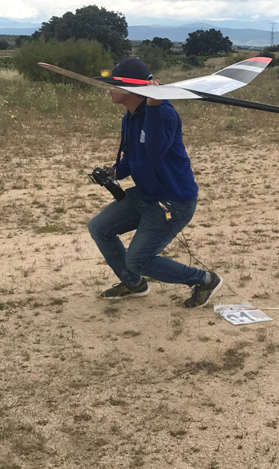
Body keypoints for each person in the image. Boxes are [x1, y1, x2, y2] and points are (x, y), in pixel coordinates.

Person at [87, 57, 223, 308]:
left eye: (113, 84)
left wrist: (153, 107)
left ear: (131, 89)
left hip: (173, 201)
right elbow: (134, 156)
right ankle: (133, 283)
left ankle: (204, 280)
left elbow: (153, 151)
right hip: (146, 194)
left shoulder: (164, 114)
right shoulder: (130, 116)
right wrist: (116, 171)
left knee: (138, 259)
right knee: (99, 227)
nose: (108, 89)